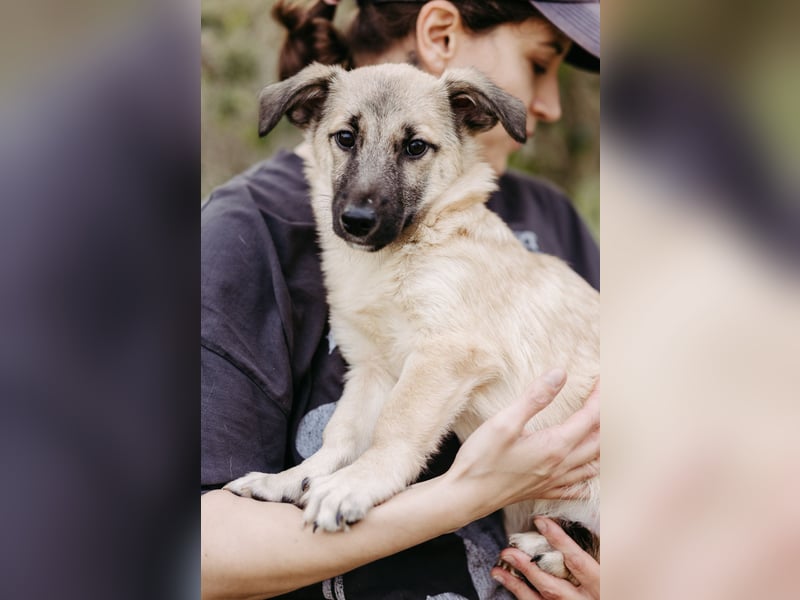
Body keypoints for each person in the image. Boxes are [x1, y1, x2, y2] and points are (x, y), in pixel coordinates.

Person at [201, 1, 601, 598]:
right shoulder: (244, 233)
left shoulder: (503, 230)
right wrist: (329, 467)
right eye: (538, 63)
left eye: (413, 149)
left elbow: (455, 352)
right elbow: (379, 369)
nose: (551, 103)